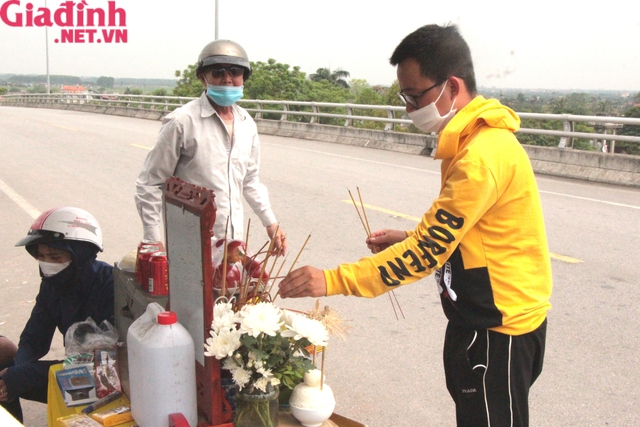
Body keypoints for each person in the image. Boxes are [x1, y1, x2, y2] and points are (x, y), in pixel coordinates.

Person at [279, 24, 552, 427]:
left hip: (497, 328)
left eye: (414, 95)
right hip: (480, 316)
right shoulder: (471, 143)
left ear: (452, 86)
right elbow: (471, 233)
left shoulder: (480, 156)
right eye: (403, 96)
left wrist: (333, 280)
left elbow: (427, 252)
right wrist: (405, 237)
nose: (408, 108)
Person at [135, 39, 287, 255]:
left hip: (233, 245)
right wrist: (152, 239)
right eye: (218, 72)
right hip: (190, 243)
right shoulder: (182, 121)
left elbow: (250, 180)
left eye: (235, 72)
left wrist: (271, 223)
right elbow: (150, 183)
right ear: (203, 77)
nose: (227, 79)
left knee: (234, 287)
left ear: (244, 77)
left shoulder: (246, 124)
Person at [0, 207, 114, 422]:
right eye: (41, 256)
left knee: (22, 377)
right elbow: (34, 338)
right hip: (77, 371)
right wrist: (14, 372)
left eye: (55, 256)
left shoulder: (112, 287)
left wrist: (30, 374)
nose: (47, 264)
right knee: (8, 372)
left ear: (81, 254)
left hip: (109, 380)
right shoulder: (53, 285)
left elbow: (108, 366)